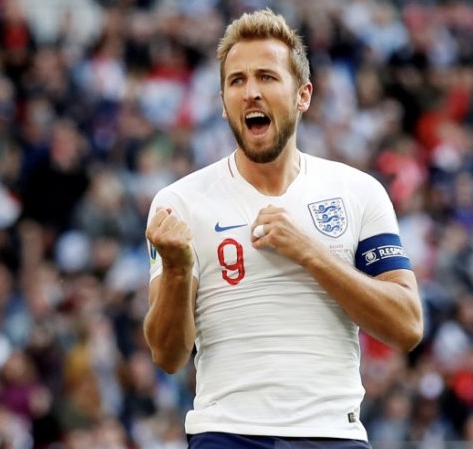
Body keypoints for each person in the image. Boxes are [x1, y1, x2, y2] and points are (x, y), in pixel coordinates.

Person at [143, 8, 423, 449]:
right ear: (222, 102)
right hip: (227, 433)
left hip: (333, 433)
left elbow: (406, 325)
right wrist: (177, 270)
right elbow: (168, 355)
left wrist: (310, 252)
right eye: (236, 81)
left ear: (303, 95)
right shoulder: (179, 203)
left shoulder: (358, 192)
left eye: (267, 77)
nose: (251, 92)